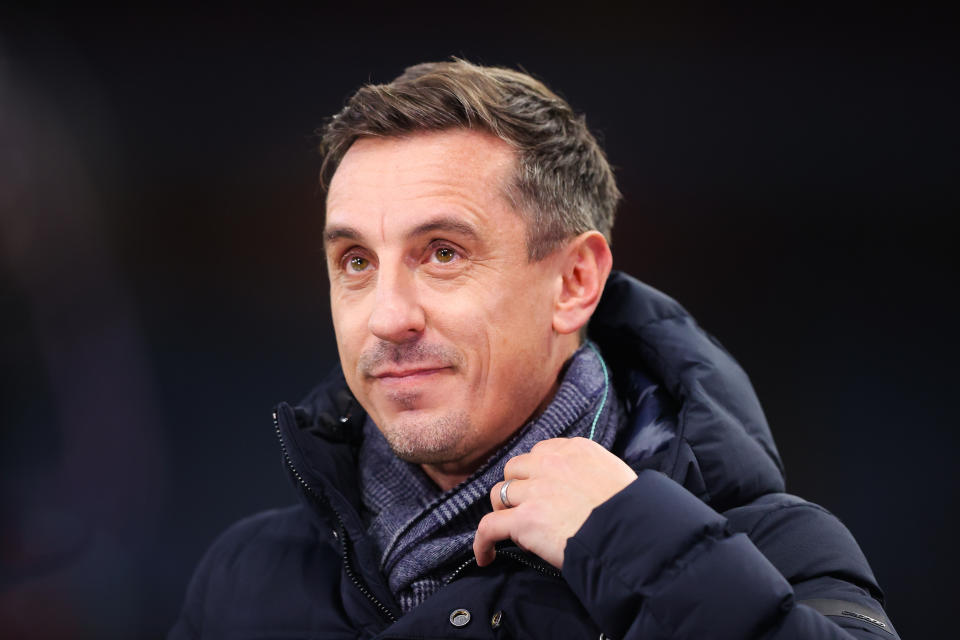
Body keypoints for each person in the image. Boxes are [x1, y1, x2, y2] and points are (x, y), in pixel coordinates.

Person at [170, 59, 898, 639]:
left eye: (444, 253)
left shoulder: (775, 549)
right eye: (357, 262)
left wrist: (631, 543)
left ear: (574, 281)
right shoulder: (246, 577)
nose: (388, 317)